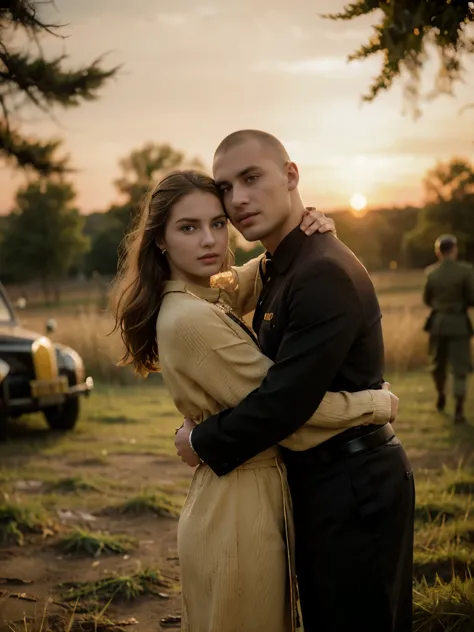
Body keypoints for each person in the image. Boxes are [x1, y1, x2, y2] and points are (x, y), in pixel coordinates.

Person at [113, 169, 398, 632]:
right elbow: (288, 413)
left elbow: (253, 275)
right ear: (160, 240)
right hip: (238, 510)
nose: (209, 240)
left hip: (244, 492)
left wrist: (304, 232)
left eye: (218, 223)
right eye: (188, 228)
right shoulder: (189, 318)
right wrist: (376, 405)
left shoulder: (202, 294)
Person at [175, 131, 415, 632]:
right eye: (225, 187)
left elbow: (284, 405)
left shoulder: (320, 271)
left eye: (251, 177)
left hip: (354, 487)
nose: (237, 198)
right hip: (320, 482)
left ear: (291, 175)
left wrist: (201, 439)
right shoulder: (282, 265)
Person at [423, 234, 474, 423]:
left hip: (438, 324)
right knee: (460, 368)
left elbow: (426, 299)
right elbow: (472, 297)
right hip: (459, 324)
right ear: (454, 249)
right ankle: (459, 410)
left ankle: (441, 394)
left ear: (438, 252)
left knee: (437, 365)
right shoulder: (465, 270)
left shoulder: (431, 273)